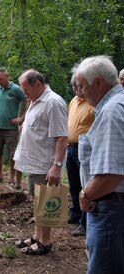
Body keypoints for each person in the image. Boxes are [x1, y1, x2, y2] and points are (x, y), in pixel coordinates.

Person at [75, 55, 124, 274]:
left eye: (83, 86)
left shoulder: (112, 111)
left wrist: (85, 196)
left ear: (98, 83)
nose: (81, 92)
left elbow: (111, 174)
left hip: (110, 209)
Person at [13, 70, 68, 255]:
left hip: (46, 164)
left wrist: (57, 166)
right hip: (33, 162)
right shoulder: (35, 100)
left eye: (25, 88)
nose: (24, 92)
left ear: (37, 83)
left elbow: (61, 137)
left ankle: (45, 241)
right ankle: (37, 236)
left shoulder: (53, 102)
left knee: (45, 201)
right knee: (38, 201)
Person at [0, 67, 26, 188]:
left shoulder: (16, 89)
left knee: (12, 154)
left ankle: (12, 177)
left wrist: (21, 118)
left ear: (6, 77)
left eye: (0, 79)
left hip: (11, 128)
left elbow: (26, 100)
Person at [66, 73, 94, 237]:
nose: (77, 89)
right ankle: (75, 213)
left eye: (79, 86)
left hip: (85, 149)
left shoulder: (92, 104)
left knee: (86, 185)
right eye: (75, 86)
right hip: (70, 147)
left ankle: (85, 222)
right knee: (74, 183)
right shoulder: (73, 102)